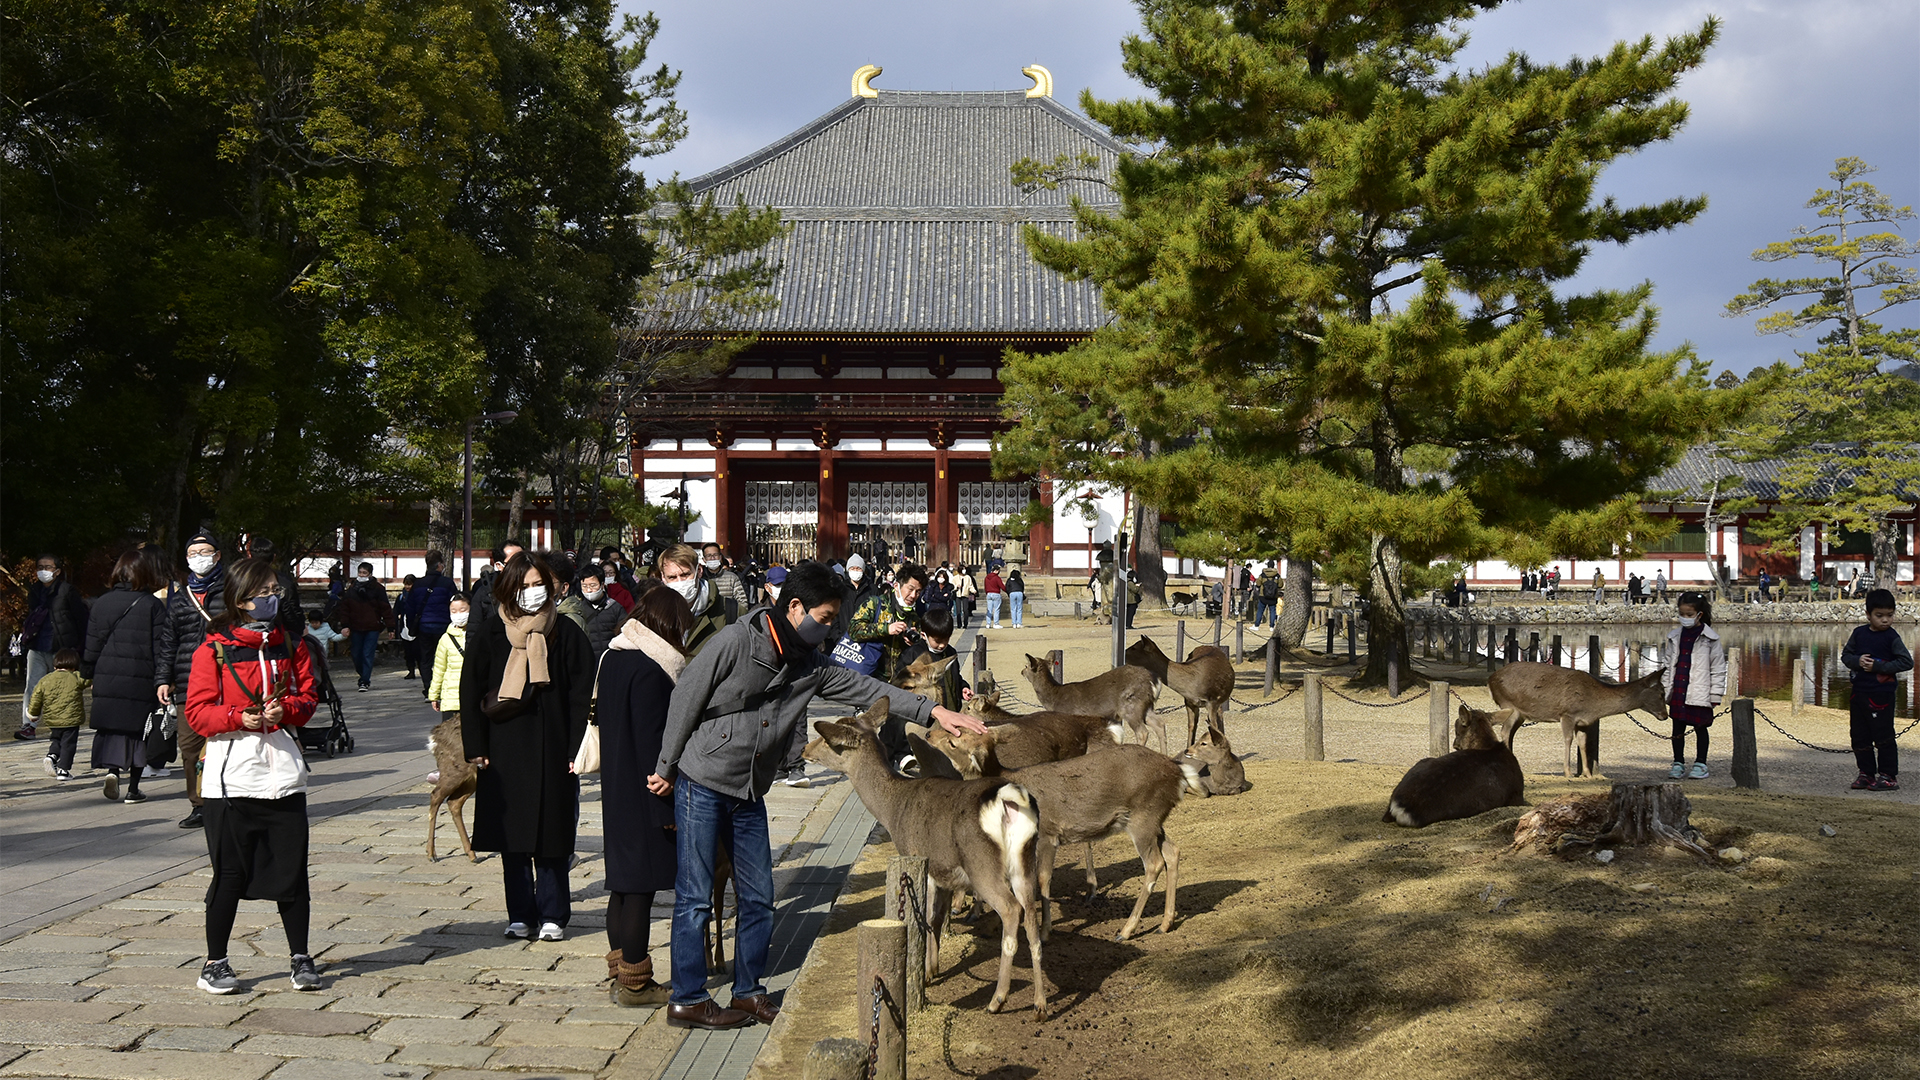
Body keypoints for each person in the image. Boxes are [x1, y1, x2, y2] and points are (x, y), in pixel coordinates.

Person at [645, 561, 990, 1030]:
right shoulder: (736, 642)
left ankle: (748, 991)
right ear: (794, 607)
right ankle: (687, 997)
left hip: (749, 789)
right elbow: (687, 695)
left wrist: (935, 712)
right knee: (696, 898)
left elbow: (868, 686)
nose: (830, 627)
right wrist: (665, 765)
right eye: (825, 618)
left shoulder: (812, 663)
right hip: (703, 778)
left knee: (759, 895)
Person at [184, 557, 322, 995]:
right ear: (241, 599)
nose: (271, 598)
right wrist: (234, 717)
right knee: (228, 873)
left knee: (293, 871)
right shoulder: (214, 648)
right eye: (263, 592)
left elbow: (307, 696)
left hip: (281, 771)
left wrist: (290, 710)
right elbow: (197, 712)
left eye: (275, 590)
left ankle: (301, 956)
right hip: (231, 775)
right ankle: (215, 962)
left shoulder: (292, 643)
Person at [459, 552, 594, 941]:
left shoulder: (565, 631)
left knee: (552, 836)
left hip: (553, 746)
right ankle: (520, 913)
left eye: (539, 585)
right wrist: (475, 745)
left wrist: (575, 748)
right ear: (508, 588)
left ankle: (553, 913)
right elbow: (471, 690)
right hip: (504, 746)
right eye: (526, 586)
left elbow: (581, 694)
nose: (534, 593)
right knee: (511, 836)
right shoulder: (491, 632)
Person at [597, 584, 694, 1006]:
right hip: (646, 786)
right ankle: (636, 983)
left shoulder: (614, 657)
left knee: (621, 885)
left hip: (617, 783)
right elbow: (656, 738)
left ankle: (620, 970)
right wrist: (665, 793)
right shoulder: (653, 669)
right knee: (639, 888)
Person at [161, 533, 229, 827]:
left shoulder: (231, 590)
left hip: (228, 679)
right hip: (189, 680)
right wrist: (163, 678)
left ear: (217, 556)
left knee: (228, 742)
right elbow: (168, 640)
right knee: (190, 747)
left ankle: (231, 799)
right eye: (193, 553)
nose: (199, 557)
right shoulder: (180, 596)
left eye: (205, 551)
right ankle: (199, 803)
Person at [1842, 588, 1910, 792]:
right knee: (1859, 735)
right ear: (1868, 614)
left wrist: (1879, 667)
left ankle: (1888, 775)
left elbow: (1906, 662)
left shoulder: (1892, 637)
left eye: (1889, 615)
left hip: (1882, 695)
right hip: (1859, 693)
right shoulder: (1859, 633)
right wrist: (1857, 661)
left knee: (1883, 735)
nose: (1885, 620)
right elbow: (1846, 656)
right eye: (1879, 616)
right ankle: (1866, 773)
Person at [18, 553, 89, 740]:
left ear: (57, 571)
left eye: (48, 567)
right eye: (40, 567)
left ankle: (61, 726)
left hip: (61, 647)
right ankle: (29, 725)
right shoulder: (34, 590)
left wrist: (80, 646)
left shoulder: (67, 591)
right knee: (32, 687)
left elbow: (81, 619)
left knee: (61, 688)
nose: (43, 571)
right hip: (37, 645)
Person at [1659, 592, 1727, 780]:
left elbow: (1718, 668)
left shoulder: (1711, 639)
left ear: (1699, 614)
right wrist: (1664, 689)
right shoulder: (1674, 636)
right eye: (1682, 614)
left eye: (1689, 615)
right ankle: (1678, 762)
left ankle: (1701, 763)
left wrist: (1715, 695)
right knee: (1677, 728)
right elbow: (1667, 664)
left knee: (1700, 727)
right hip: (1679, 687)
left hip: (1700, 689)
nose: (1685, 618)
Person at [849, 562, 927, 676]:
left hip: (898, 680)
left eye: (918, 592)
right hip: (871, 675)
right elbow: (853, 629)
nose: (913, 595)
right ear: (896, 586)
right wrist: (886, 629)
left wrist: (914, 643)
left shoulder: (913, 617)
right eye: (910, 589)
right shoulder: (875, 604)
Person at [658, 544, 732, 654]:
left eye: (685, 575)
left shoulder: (730, 612)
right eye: (672, 577)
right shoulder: (653, 615)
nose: (680, 582)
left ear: (699, 571)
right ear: (663, 578)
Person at [335, 562, 396, 691]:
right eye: (360, 573)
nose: (361, 575)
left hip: (372, 626)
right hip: (356, 626)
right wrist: (345, 625)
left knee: (368, 653)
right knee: (356, 654)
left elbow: (385, 608)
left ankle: (364, 681)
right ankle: (363, 674)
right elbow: (345, 608)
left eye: (364, 573)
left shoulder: (378, 589)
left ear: (370, 574)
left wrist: (390, 627)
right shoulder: (351, 589)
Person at [29, 649, 88, 781]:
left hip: (53, 719)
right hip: (71, 719)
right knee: (68, 744)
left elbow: (36, 697)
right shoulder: (76, 676)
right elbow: (89, 679)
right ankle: (63, 770)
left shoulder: (45, 679)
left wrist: (33, 714)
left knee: (56, 739)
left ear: (55, 665)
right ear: (74, 665)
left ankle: (52, 755)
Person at [895, 606, 965, 713]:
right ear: (924, 635)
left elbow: (955, 677)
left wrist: (963, 688)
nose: (942, 645)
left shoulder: (950, 652)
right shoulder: (912, 654)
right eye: (937, 641)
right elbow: (899, 683)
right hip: (926, 713)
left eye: (946, 640)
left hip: (951, 710)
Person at [407, 551, 457, 697]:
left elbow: (410, 607)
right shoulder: (447, 583)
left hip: (424, 625)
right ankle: (444, 686)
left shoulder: (418, 584)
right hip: (444, 625)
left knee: (425, 658)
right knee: (445, 657)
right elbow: (455, 603)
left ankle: (429, 687)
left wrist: (412, 626)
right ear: (439, 566)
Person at [571, 565, 629, 658]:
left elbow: (625, 634)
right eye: (584, 586)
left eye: (593, 585)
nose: (589, 590)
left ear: (602, 585)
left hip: (611, 659)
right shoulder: (578, 609)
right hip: (589, 660)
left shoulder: (615, 608)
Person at [426, 594, 470, 717]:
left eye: (463, 610)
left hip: (473, 697)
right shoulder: (446, 639)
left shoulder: (478, 635)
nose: (458, 615)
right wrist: (434, 695)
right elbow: (439, 669)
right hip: (450, 698)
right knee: (449, 734)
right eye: (453, 611)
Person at [472, 541, 525, 627]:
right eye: (513, 561)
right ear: (499, 565)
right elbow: (474, 627)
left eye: (522, 559)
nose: (519, 565)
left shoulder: (534, 587)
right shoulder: (485, 590)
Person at [701, 543, 750, 614]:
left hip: (728, 618)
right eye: (709, 555)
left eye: (715, 555)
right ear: (704, 559)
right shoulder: (701, 579)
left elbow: (742, 602)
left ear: (720, 557)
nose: (712, 558)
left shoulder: (732, 577)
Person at [396, 574, 422, 680]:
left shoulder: (418, 595)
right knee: (408, 651)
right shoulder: (401, 597)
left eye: (410, 584)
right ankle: (410, 670)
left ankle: (422, 669)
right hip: (405, 625)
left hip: (416, 625)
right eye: (406, 584)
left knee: (418, 651)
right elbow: (396, 610)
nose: (408, 587)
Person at [1254, 562, 1281, 627]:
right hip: (1273, 596)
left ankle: (1257, 625)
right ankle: (1272, 626)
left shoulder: (1263, 575)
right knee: (1272, 611)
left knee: (1260, 611)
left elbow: (1258, 584)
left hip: (1263, 595)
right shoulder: (1277, 575)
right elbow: (1280, 585)